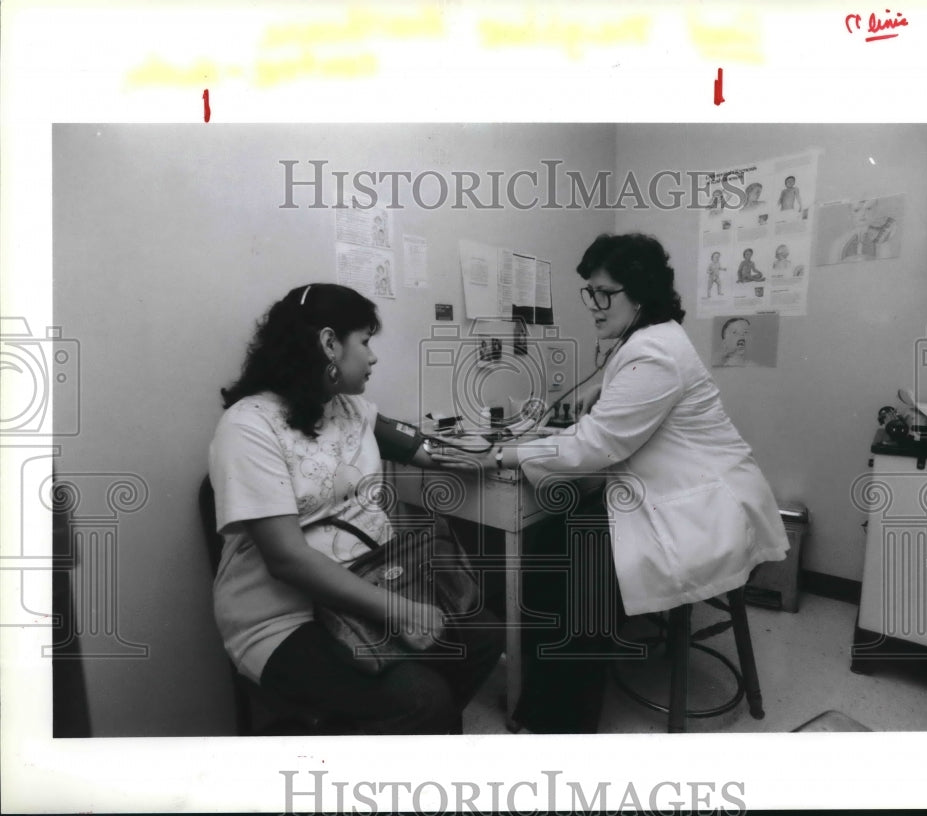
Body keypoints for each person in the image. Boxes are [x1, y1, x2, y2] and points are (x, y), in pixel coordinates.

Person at [433, 233, 788, 732]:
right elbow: (617, 416)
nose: (595, 306)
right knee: (556, 538)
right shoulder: (654, 338)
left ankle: (558, 721)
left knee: (577, 558)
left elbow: (595, 445)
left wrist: (496, 455)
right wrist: (603, 384)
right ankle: (545, 681)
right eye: (591, 293)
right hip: (680, 491)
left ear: (640, 293)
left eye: (606, 293)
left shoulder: (653, 352)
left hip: (703, 511)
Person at [209, 283, 502, 735]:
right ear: (329, 343)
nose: (373, 357)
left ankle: (415, 743)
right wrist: (400, 610)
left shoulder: (350, 409)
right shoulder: (248, 427)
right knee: (422, 699)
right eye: (365, 341)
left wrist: (495, 454)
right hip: (286, 615)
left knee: (482, 636)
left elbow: (423, 448)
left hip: (370, 581)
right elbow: (286, 559)